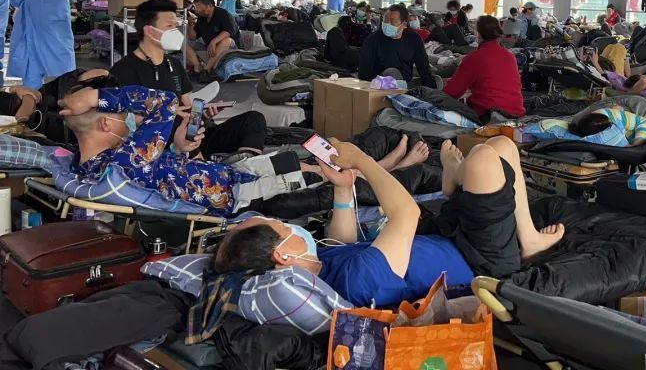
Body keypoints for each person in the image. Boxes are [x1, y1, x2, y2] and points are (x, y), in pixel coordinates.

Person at [211, 136, 565, 307]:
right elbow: (407, 212)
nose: (289, 225)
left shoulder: (314, 268)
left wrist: (343, 187)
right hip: (481, 261)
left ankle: (468, 192)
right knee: (488, 155)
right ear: (282, 255)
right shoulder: (358, 281)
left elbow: (344, 243)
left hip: (443, 237)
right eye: (281, 227)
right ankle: (525, 241)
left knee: (499, 147)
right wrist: (362, 160)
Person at [58, 83, 311, 216]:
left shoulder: (91, 164)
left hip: (225, 173)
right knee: (313, 174)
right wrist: (93, 97)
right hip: (238, 195)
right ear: (105, 123)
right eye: (123, 114)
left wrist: (180, 149)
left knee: (301, 161)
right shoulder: (126, 160)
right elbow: (165, 100)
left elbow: (159, 177)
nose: (131, 118)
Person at [112, 0, 267, 160]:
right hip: (163, 144)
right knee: (177, 122)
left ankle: (246, 162)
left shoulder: (174, 65)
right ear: (149, 31)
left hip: (193, 135)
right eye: (169, 26)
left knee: (254, 119)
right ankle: (201, 164)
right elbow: (123, 123)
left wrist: (203, 114)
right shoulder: (123, 71)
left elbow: (187, 107)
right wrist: (170, 115)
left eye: (175, 26)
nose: (175, 32)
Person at [8, 0, 96, 89]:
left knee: (32, 60)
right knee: (62, 57)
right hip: (53, 14)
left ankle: (33, 96)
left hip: (29, 14)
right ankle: (66, 93)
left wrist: (21, 4)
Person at [443, 16, 525, 120]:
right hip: (517, 115)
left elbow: (452, 92)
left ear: (478, 34)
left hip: (490, 117)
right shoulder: (510, 56)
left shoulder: (474, 57)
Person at [357, 4, 436, 87]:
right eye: (385, 19)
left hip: (405, 80)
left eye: (392, 20)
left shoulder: (414, 38)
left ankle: (410, 87)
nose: (387, 23)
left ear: (404, 24)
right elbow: (364, 71)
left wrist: (430, 87)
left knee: (433, 79)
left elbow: (423, 65)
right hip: (379, 82)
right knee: (392, 72)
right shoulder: (373, 39)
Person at [186, 0, 239, 77]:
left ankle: (207, 70)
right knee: (184, 43)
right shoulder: (202, 18)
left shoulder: (223, 14)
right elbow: (193, 37)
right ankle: (197, 67)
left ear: (209, 5)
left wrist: (214, 42)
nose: (197, 10)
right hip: (210, 49)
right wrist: (190, 25)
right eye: (196, 7)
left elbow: (228, 31)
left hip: (229, 47)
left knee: (227, 40)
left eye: (199, 6)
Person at [569, 106, 646, 146]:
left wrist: (638, 141)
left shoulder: (615, 118)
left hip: (641, 126)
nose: (612, 124)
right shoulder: (595, 138)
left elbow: (645, 122)